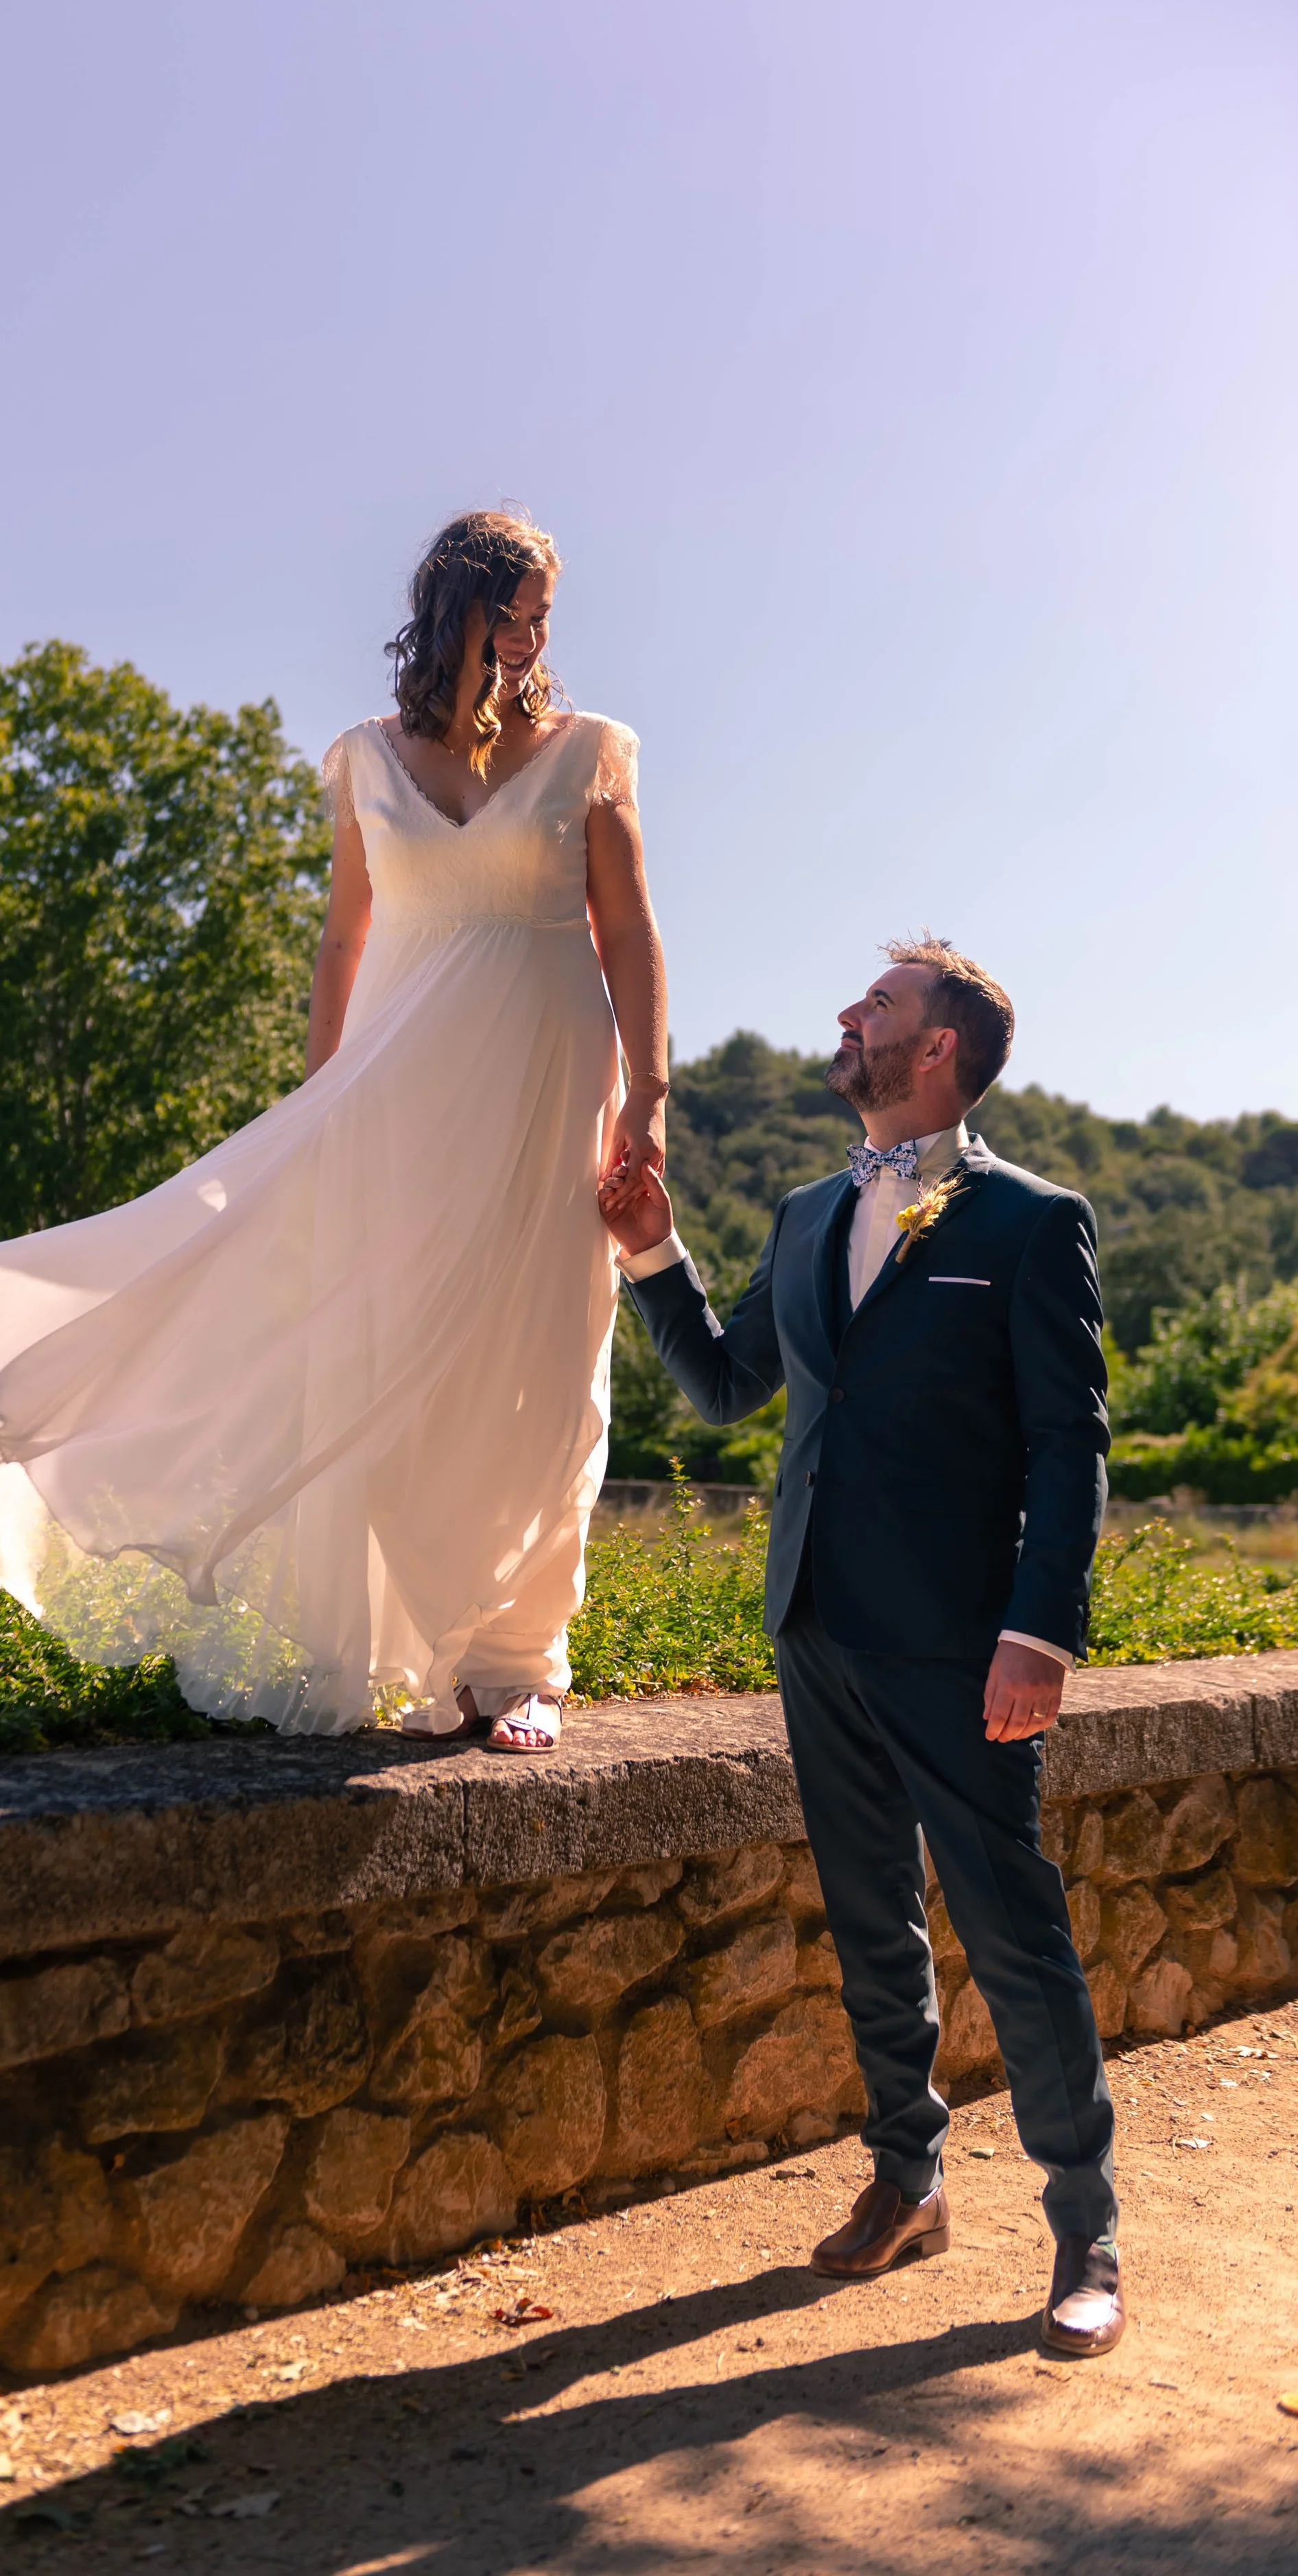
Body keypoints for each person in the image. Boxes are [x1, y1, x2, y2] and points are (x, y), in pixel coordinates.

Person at [0, 508, 668, 1749]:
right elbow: (344, 939)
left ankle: (521, 1660)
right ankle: (413, 1640)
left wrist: (651, 1098)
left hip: (551, 1089)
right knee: (386, 1357)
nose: (536, 638)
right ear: (459, 612)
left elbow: (629, 933)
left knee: (546, 1364)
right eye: (518, 613)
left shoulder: (590, 754)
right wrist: (318, 1110)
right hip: (396, 1106)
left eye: (546, 616)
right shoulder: (365, 761)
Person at [598, 938, 1124, 2359]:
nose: (847, 1014)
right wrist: (650, 1251)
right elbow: (725, 1386)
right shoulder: (802, 1212)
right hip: (814, 1622)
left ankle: (1085, 2230)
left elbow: (1066, 1441)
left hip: (961, 1641)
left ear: (938, 1047)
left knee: (1011, 1929)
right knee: (869, 1918)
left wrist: (1039, 1632)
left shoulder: (1032, 1223)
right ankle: (908, 2178)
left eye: (878, 1003)